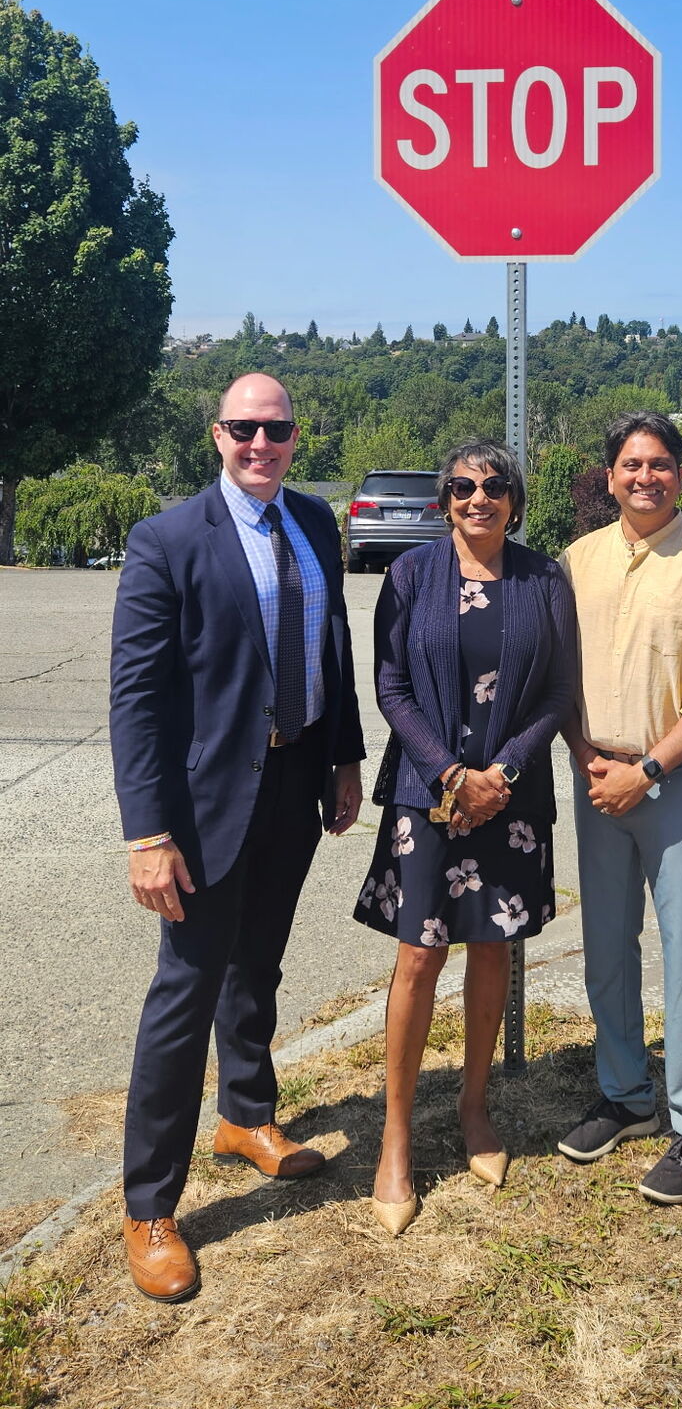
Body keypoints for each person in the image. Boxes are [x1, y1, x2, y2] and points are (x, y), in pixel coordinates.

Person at [110, 373, 365, 1302]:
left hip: (294, 782)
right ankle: (150, 1205)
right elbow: (136, 699)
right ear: (217, 434)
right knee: (186, 990)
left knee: (259, 962)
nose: (262, 443)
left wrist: (343, 758)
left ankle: (247, 1116)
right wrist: (147, 833)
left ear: (298, 435)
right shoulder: (168, 539)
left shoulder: (313, 523)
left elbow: (330, 645)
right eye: (245, 428)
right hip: (205, 801)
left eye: (278, 428)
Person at [356, 438, 577, 1237]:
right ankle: (396, 1137)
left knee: (492, 946)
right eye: (460, 486)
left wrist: (503, 771)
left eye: (492, 486)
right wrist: (452, 773)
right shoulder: (412, 575)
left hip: (510, 799)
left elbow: (558, 691)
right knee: (419, 955)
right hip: (429, 793)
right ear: (442, 499)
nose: (476, 497)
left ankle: (475, 1108)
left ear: (514, 499)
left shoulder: (544, 577)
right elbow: (390, 683)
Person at [556, 411, 682, 1206]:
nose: (646, 476)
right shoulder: (576, 561)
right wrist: (584, 756)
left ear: (679, 474)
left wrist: (646, 767)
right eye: (631, 464)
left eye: (660, 464)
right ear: (609, 478)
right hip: (594, 773)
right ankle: (626, 1093)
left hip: (674, 780)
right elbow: (556, 671)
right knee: (606, 945)